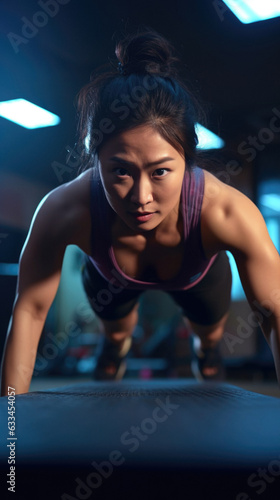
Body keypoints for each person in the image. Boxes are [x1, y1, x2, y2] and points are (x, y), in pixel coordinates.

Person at [1, 28, 279, 396]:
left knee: (209, 339)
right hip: (111, 278)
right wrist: (10, 433)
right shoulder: (65, 209)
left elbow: (274, 314)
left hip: (198, 277)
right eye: (120, 171)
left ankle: (207, 353)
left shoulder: (226, 210)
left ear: (188, 161)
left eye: (160, 171)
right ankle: (114, 348)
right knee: (116, 337)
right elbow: (30, 312)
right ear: (95, 157)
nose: (141, 197)